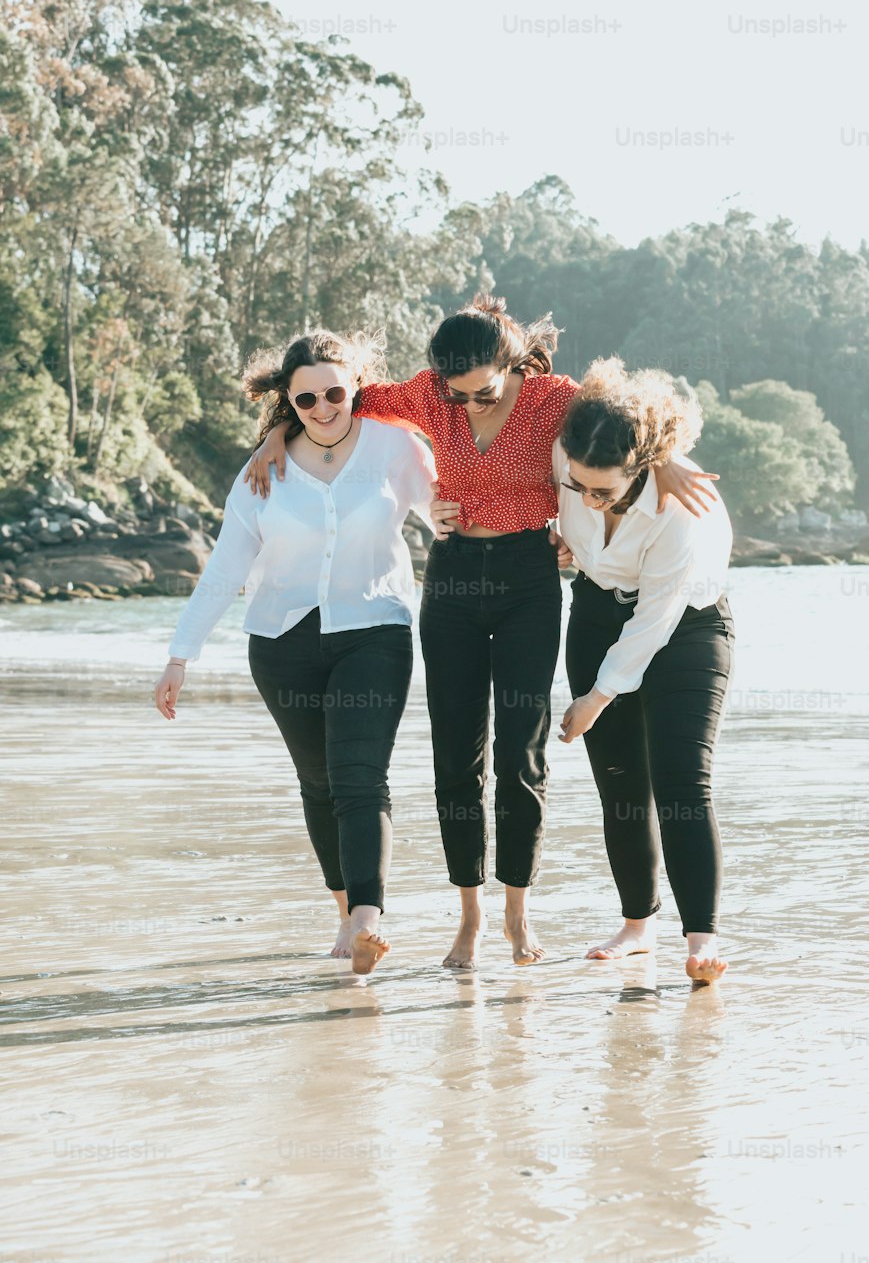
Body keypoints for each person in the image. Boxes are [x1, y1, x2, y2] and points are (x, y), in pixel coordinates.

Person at [246, 297, 719, 970]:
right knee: (455, 760)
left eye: (483, 391)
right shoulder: (426, 395)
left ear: (513, 364)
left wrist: (666, 458)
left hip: (529, 579)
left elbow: (629, 416)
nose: (466, 404)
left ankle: (516, 918)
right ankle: (468, 919)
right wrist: (273, 437)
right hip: (453, 580)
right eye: (455, 393)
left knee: (520, 757)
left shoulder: (557, 398)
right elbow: (333, 402)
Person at [153, 330, 436, 976]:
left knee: (361, 776)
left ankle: (369, 915)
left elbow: (445, 509)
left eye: (336, 392)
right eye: (307, 399)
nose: (325, 407)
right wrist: (180, 655)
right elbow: (226, 567)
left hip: (375, 631)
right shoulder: (264, 469)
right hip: (282, 644)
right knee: (320, 784)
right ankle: (345, 913)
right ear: (290, 400)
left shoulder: (394, 445)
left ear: (356, 385)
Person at [554, 359, 735, 987]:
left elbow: (655, 619)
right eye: (578, 488)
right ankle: (638, 927)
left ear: (642, 468)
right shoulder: (574, 454)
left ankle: (702, 940)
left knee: (683, 781)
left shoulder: (678, 508)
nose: (585, 499)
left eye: (603, 492)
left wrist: (596, 699)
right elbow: (548, 392)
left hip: (687, 626)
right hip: (598, 610)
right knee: (620, 787)